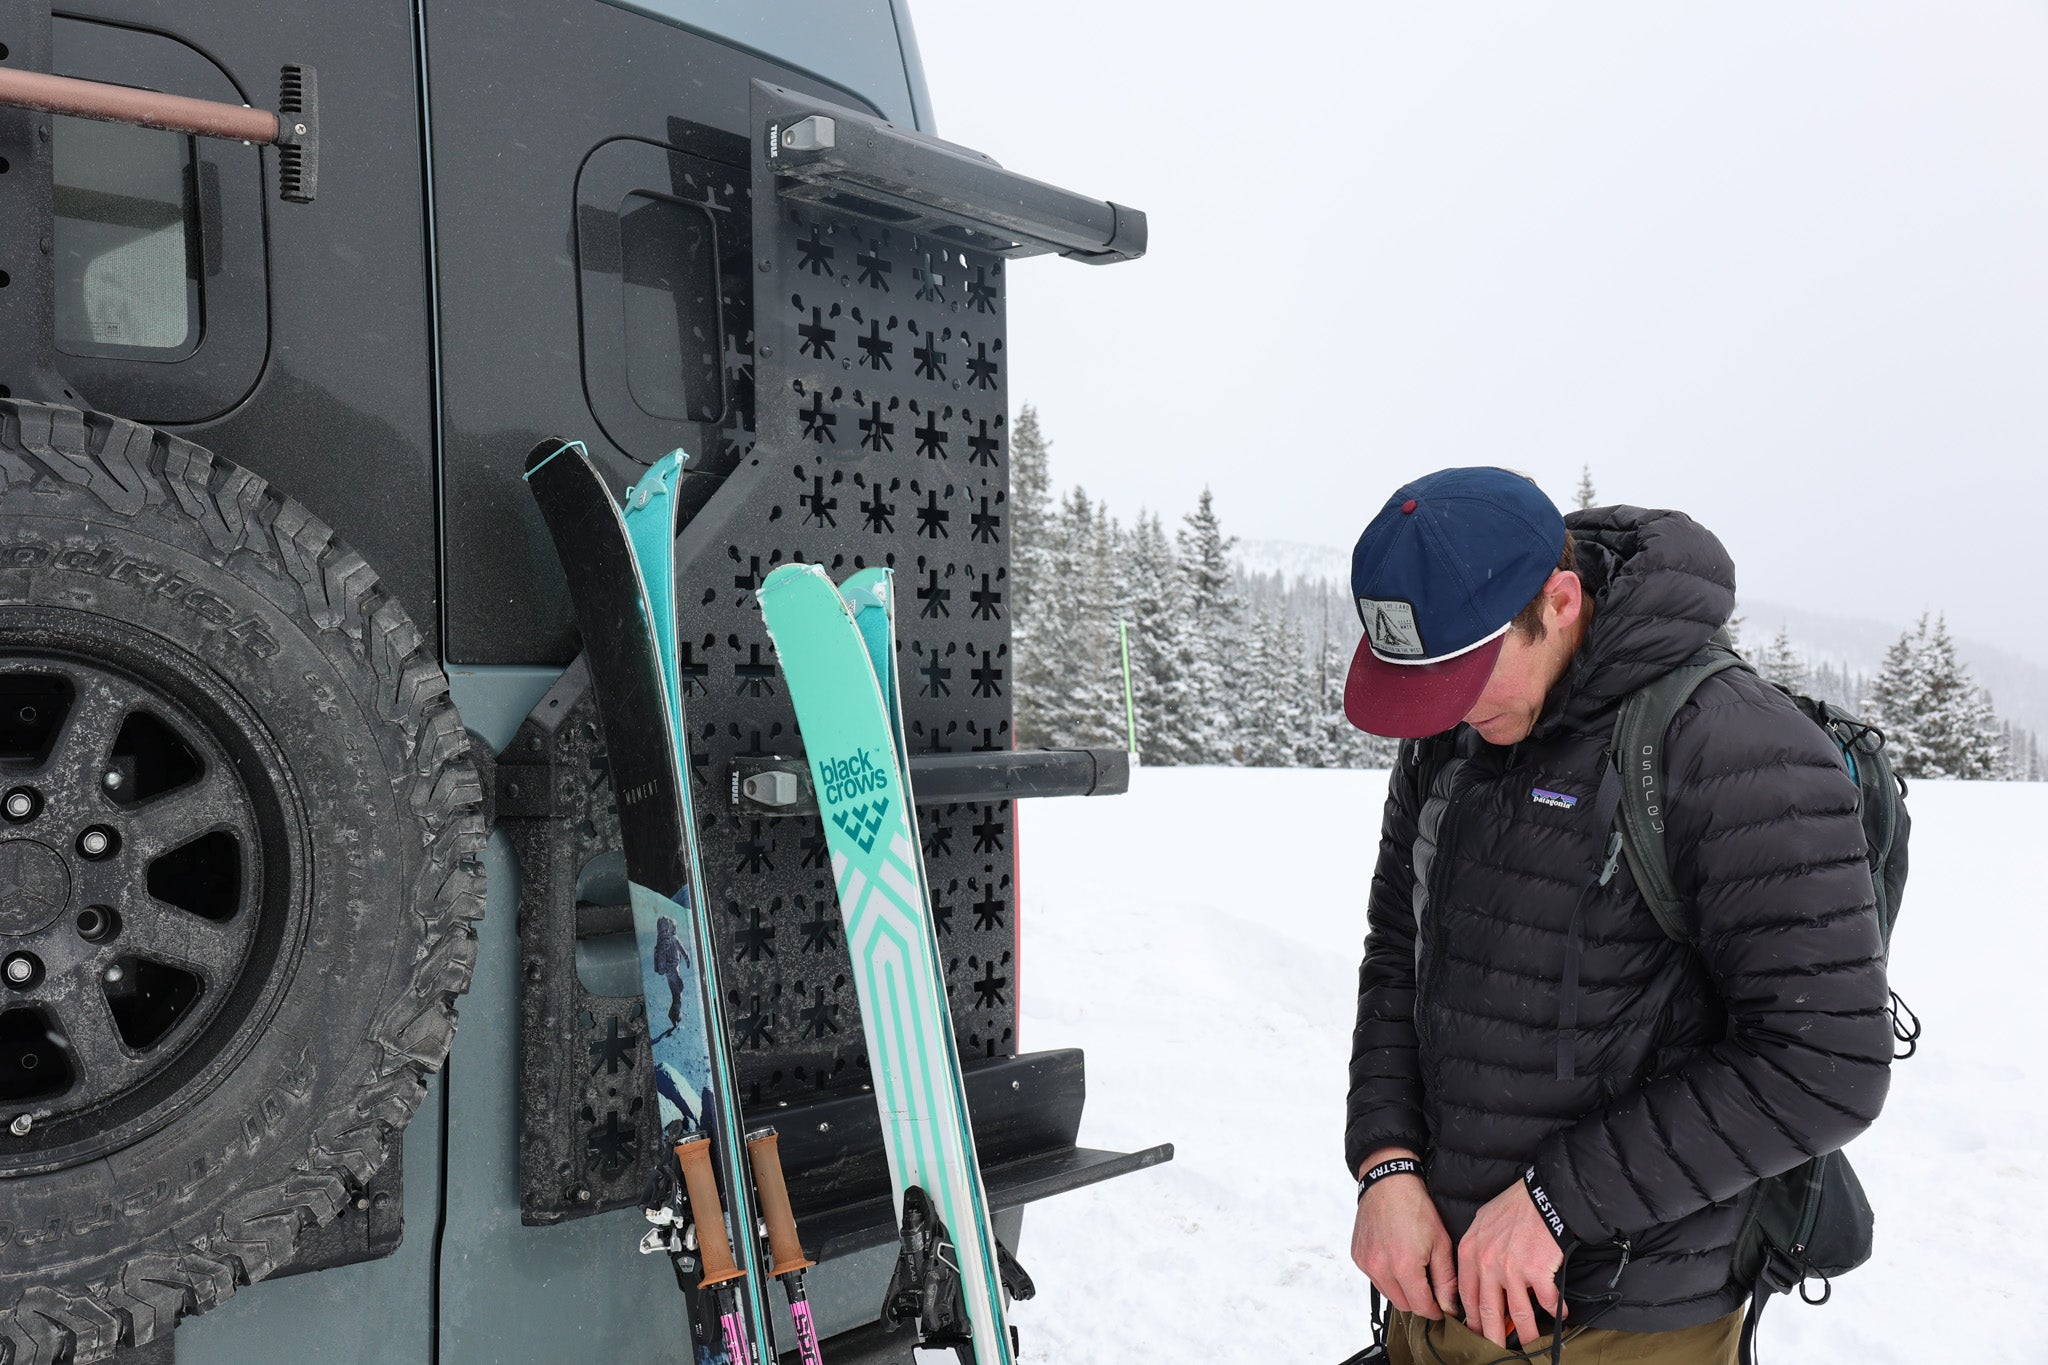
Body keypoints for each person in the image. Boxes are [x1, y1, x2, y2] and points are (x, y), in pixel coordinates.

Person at [1341, 467, 1893, 1364]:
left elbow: (1827, 1060)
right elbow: (1398, 955)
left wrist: (1559, 1200)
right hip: (1437, 1295)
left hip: (1626, 1321)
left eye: (1469, 677)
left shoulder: (1730, 745)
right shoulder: (1457, 728)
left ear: (1559, 601)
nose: (1451, 714)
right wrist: (1387, 1162)